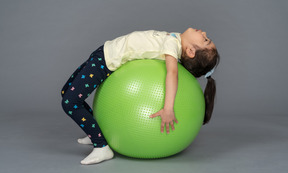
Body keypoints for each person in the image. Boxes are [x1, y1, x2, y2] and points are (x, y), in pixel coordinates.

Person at [61, 28, 220, 165]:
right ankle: (94, 132)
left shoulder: (172, 46)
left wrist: (168, 108)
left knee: (70, 103)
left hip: (105, 62)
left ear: (191, 51)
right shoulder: (176, 40)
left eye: (205, 40)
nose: (204, 33)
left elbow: (172, 73)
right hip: (103, 51)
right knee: (66, 91)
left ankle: (101, 146)